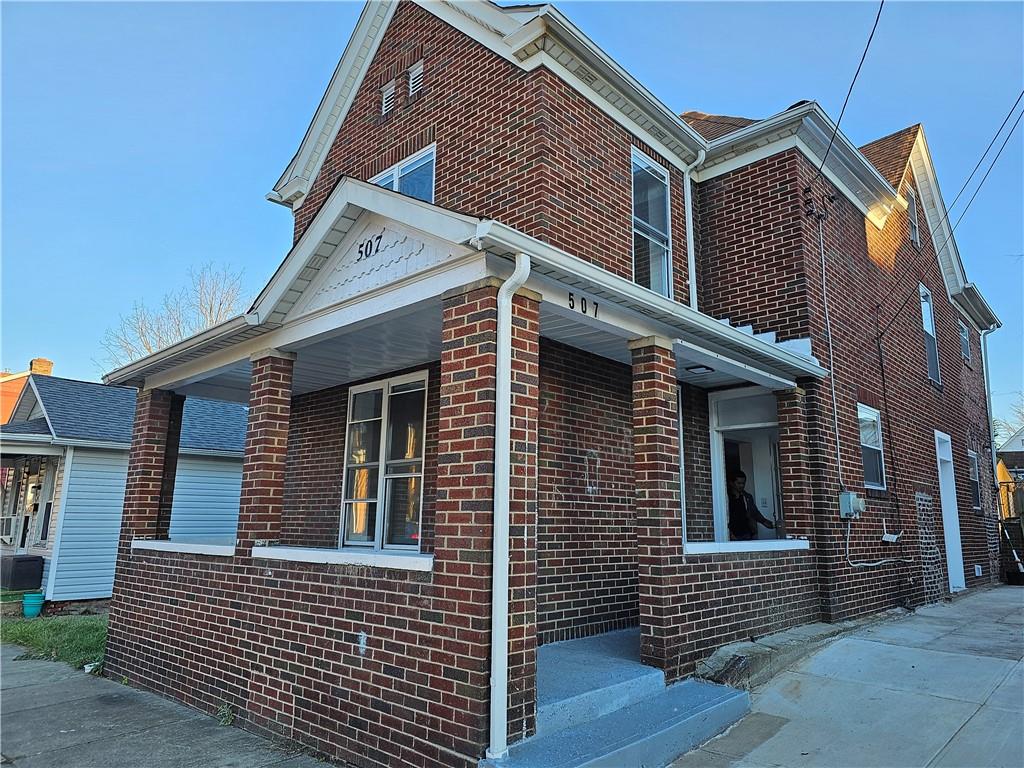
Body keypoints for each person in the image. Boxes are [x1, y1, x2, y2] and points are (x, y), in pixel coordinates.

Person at [727, 471, 775, 541]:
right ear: (731, 483)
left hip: (746, 533)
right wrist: (730, 534)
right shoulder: (726, 498)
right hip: (732, 534)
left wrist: (766, 522)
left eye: (743, 483)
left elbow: (755, 512)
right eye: (739, 483)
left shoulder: (747, 497)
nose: (742, 486)